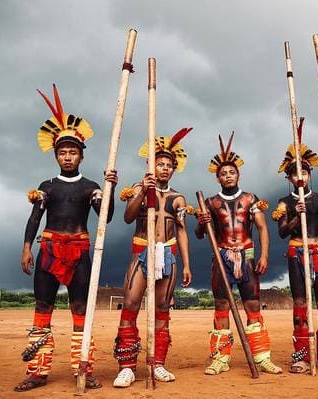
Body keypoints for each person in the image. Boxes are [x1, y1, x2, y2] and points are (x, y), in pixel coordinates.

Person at [15, 85, 118, 392]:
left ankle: (82, 369)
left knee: (80, 312)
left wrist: (111, 187)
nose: (68, 156)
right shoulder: (47, 187)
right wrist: (25, 249)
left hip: (80, 251)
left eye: (73, 152)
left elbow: (107, 216)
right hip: (47, 249)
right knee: (42, 308)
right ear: (56, 154)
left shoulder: (90, 187)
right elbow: (35, 218)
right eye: (63, 151)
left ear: (82, 155)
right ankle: (38, 371)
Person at [195, 133, 282, 376]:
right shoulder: (210, 203)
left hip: (247, 254)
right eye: (223, 173)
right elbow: (200, 234)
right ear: (217, 177)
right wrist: (202, 222)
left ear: (238, 174)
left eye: (231, 172)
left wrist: (263, 256)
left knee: (252, 304)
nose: (227, 176)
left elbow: (263, 228)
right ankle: (220, 359)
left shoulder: (250, 199)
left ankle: (261, 356)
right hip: (222, 256)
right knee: (221, 305)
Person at [112, 128, 193, 387]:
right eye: (160, 164)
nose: (165, 168)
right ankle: (127, 367)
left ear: (174, 169)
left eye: (169, 165)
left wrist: (187, 264)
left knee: (162, 309)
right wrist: (142, 192)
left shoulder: (177, 198)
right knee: (131, 303)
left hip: (167, 253)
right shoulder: (139, 188)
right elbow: (127, 217)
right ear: (152, 166)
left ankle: (157, 363)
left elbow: (181, 233)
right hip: (141, 250)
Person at [271, 124, 318, 374]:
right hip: (296, 254)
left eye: (304, 172)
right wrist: (295, 217)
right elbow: (282, 233)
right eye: (294, 174)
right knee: (300, 303)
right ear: (289, 178)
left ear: (310, 173)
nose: (299, 177)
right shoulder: (284, 203)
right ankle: (301, 357)